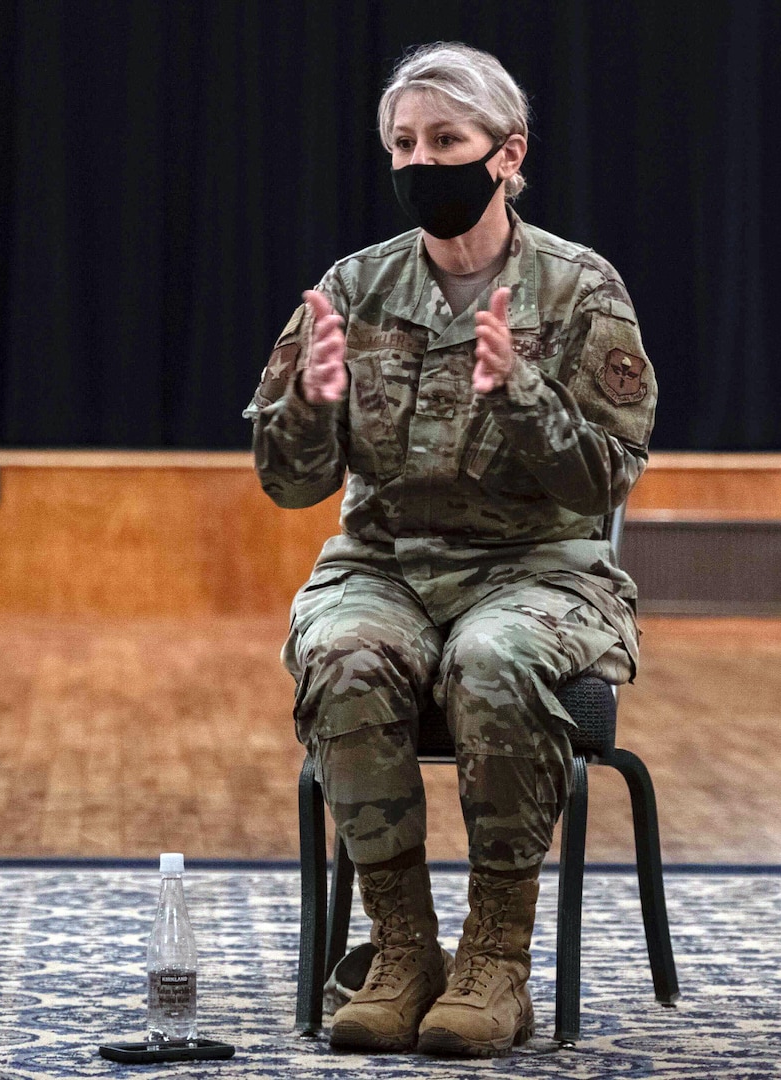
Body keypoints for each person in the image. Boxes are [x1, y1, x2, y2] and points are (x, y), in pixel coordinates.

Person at [245, 43, 655, 1057]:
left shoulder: (577, 289)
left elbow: (605, 479)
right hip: (382, 565)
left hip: (539, 571)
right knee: (341, 655)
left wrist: (517, 390)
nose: (421, 161)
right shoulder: (351, 289)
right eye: (403, 143)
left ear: (504, 154)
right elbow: (286, 483)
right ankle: (399, 949)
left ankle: (493, 958)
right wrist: (309, 404)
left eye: (445, 141)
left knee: (491, 658)